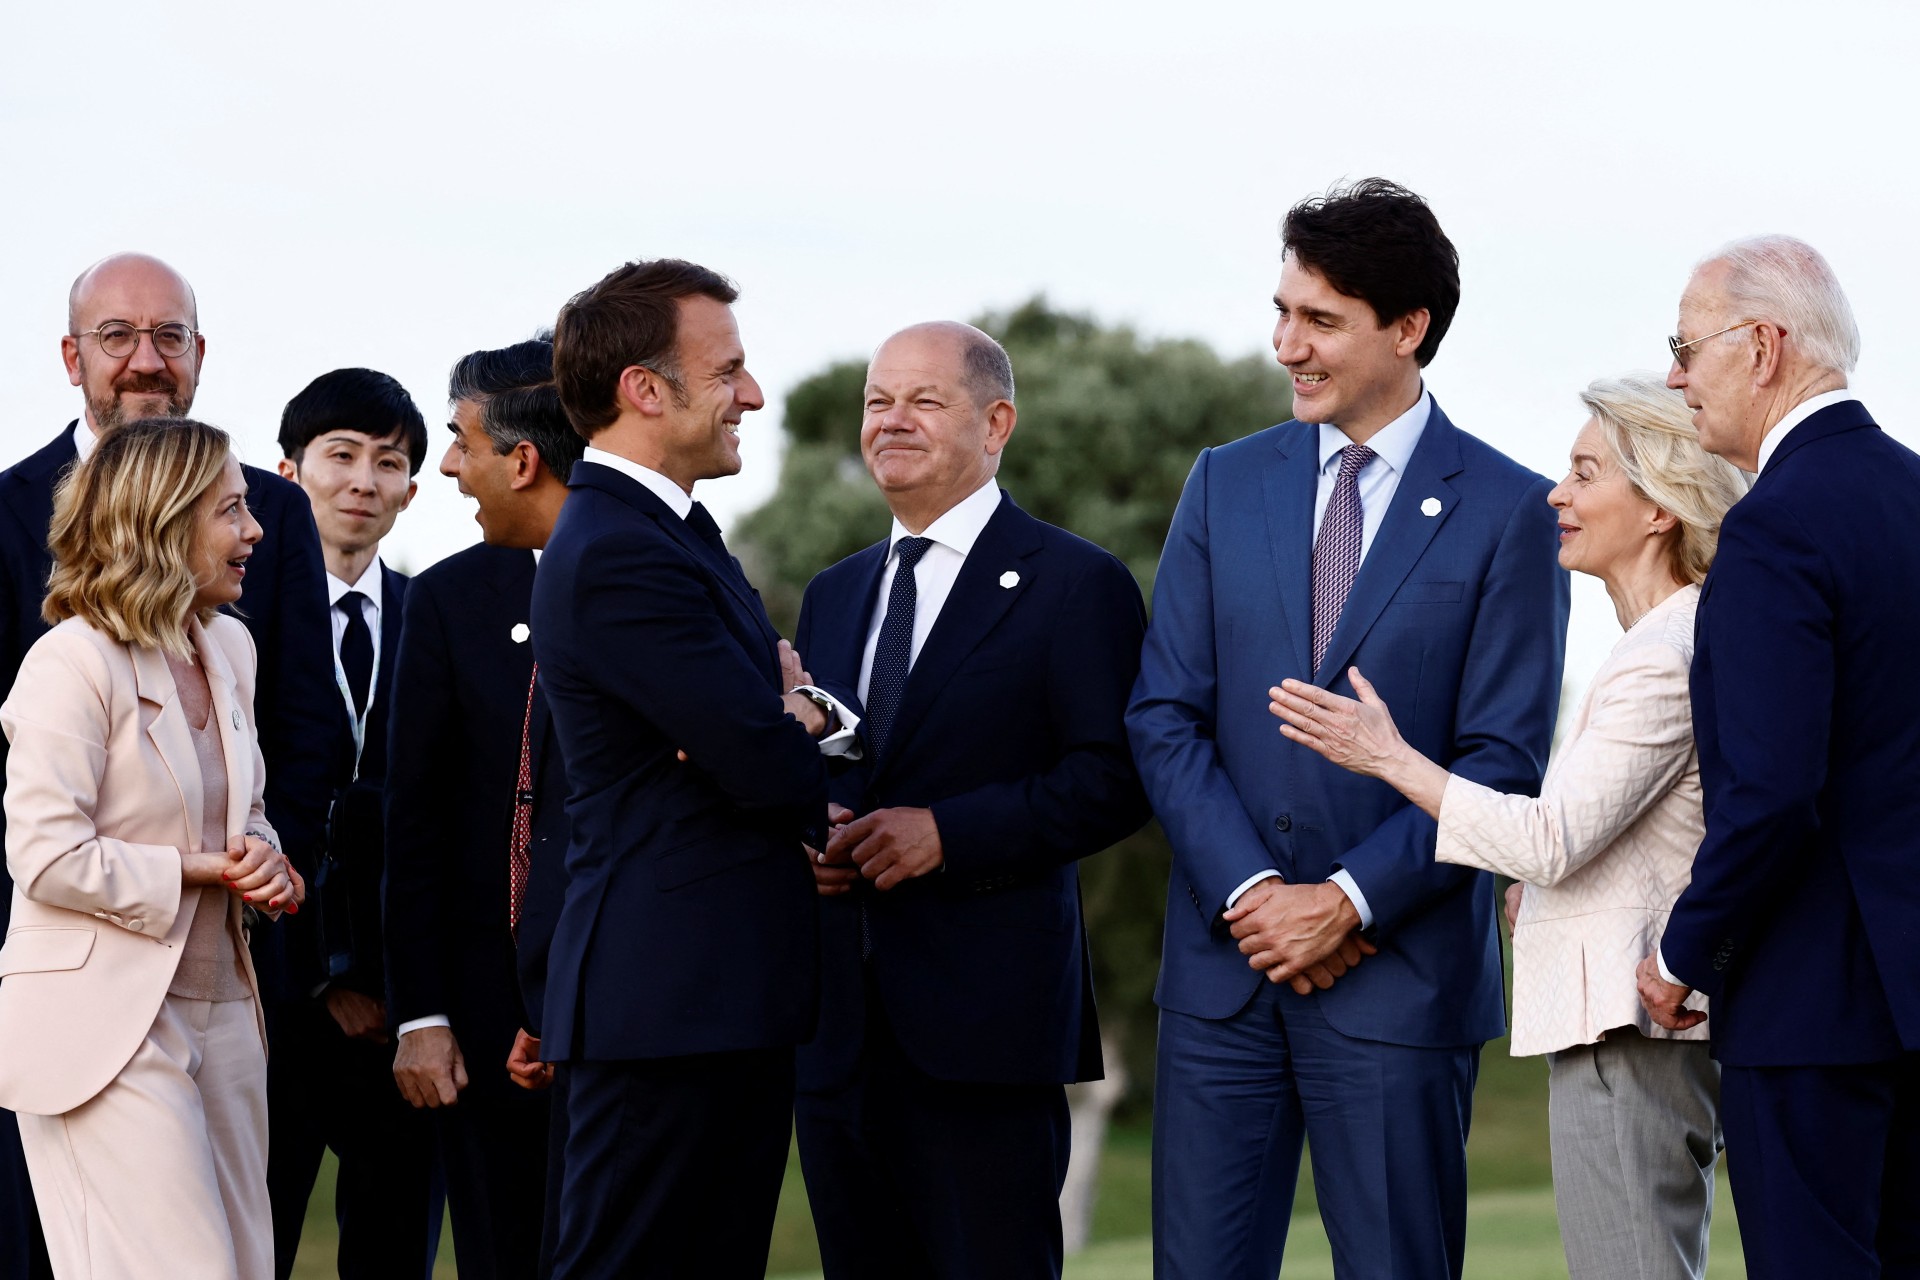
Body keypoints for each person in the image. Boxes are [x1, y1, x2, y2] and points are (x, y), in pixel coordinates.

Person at [1126, 178, 1569, 1280]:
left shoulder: (1514, 509)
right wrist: (1255, 898)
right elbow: (1164, 713)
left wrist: (1346, 901)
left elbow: (1501, 759)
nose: (1287, 345)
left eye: (1319, 319)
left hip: (1399, 978)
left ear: (1408, 328)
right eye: (1282, 312)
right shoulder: (1224, 483)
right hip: (1225, 977)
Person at [1269, 373, 1748, 1279]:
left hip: (1625, 1031)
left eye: (1585, 472)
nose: (1556, 494)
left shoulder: (1662, 656)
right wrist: (1538, 884)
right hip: (1628, 1025)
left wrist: (1390, 757)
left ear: (1658, 508)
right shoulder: (1669, 642)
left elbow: (1551, 837)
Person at [791, 322, 1151, 1279]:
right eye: (877, 402)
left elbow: (1115, 780)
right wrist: (807, 828)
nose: (891, 422)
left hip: (988, 1032)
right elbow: (839, 761)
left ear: (997, 424)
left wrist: (948, 834)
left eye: (922, 402)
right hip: (838, 1038)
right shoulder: (833, 593)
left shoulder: (1078, 584)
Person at [0, 253, 334, 1280]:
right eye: (234, 508)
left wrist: (266, 856)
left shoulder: (227, 643)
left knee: (239, 1262)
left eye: (170, 335)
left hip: (227, 1004)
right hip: (100, 1015)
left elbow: (257, 796)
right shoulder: (69, 660)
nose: (259, 529)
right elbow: (45, 852)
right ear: (164, 518)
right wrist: (200, 868)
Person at [535, 258, 857, 1279]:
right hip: (663, 1000)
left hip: (713, 995)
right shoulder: (619, 550)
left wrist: (772, 719)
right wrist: (800, 709)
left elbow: (742, 742)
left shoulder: (671, 532)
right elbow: (763, 763)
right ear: (644, 388)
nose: (751, 395)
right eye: (728, 372)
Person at [1634, 237, 1920, 1277]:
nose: (1675, 375)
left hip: (1811, 1013)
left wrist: (1683, 954)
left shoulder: (1776, 526)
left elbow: (1772, 793)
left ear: (1761, 346)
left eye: (1686, 345)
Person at [384, 336, 582, 1279]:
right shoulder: (448, 598)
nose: (448, 465)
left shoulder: (671, 575)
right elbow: (412, 817)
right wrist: (419, 1012)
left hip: (624, 1009)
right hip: (484, 1005)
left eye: (460, 440)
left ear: (525, 456)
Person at [266, 368, 439, 1278]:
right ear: (289, 473)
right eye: (341, 456)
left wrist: (396, 989)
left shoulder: (433, 620)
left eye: (390, 462)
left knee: (396, 1242)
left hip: (402, 1010)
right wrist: (320, 978)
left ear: (413, 488)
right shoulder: (234, 624)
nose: (364, 482)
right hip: (270, 1000)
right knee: (253, 1238)